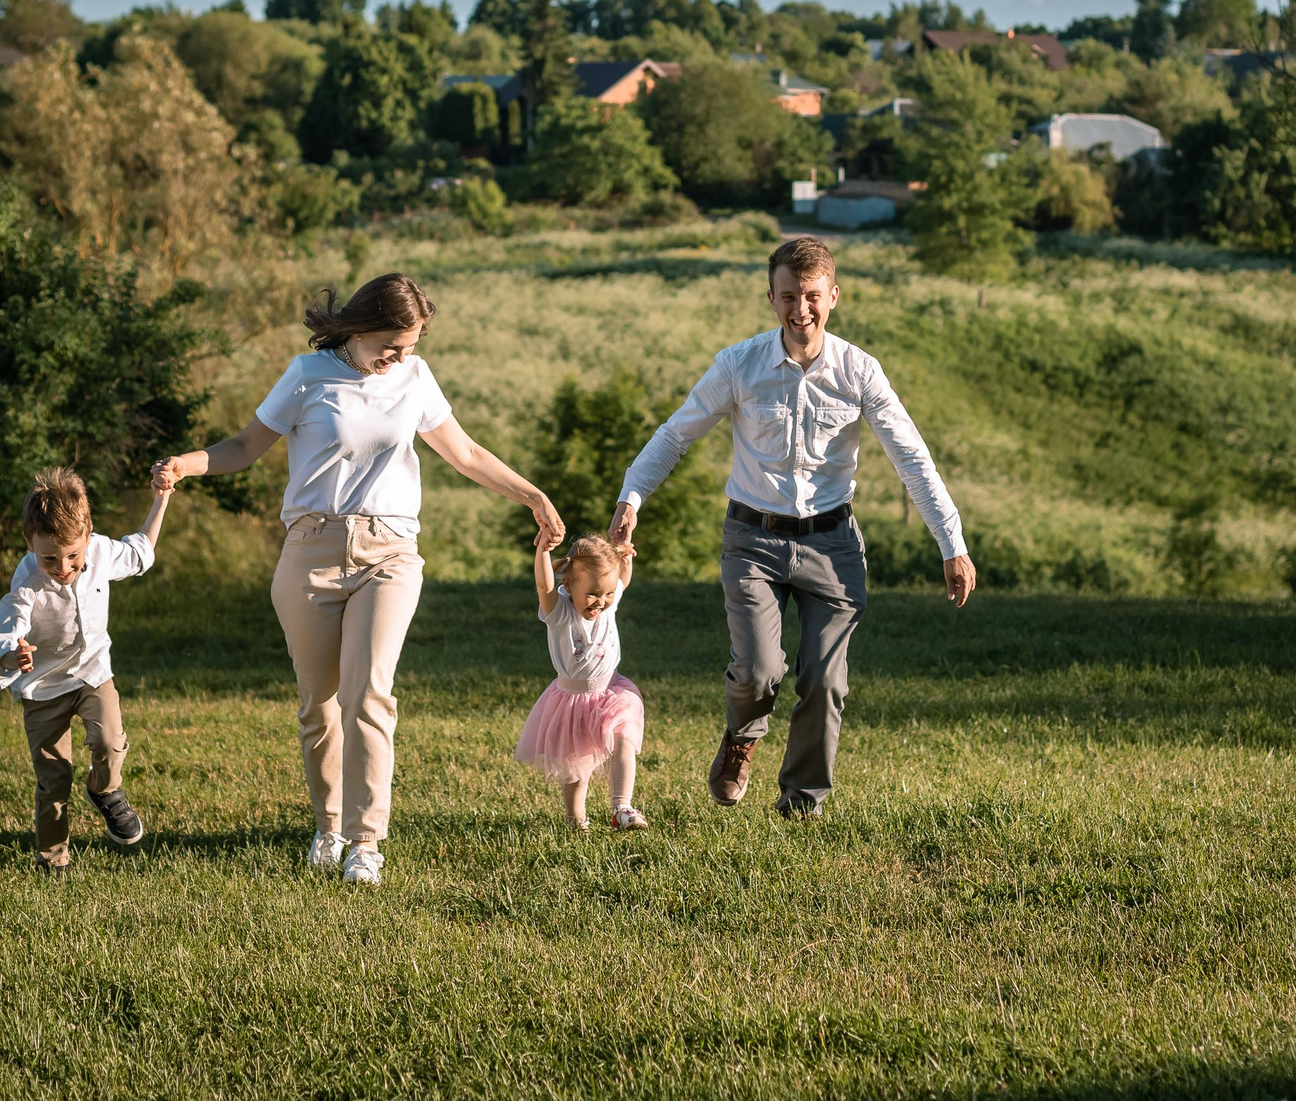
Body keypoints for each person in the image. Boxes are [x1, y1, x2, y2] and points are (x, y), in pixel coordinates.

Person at [152, 272, 566, 887]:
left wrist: (533, 496)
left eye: (410, 347)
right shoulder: (307, 376)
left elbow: (466, 454)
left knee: (369, 693)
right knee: (319, 705)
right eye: (390, 346)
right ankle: (329, 827)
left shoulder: (415, 378)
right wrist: (187, 464)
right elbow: (244, 445)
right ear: (359, 328)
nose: (398, 358)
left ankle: (366, 842)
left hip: (390, 553)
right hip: (310, 552)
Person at [609, 236, 973, 820]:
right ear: (771, 299)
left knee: (825, 681)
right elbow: (676, 434)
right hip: (752, 539)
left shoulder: (860, 372)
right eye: (788, 296)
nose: (800, 309)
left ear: (834, 296)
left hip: (833, 543)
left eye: (811, 296)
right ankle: (742, 736)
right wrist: (633, 495)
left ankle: (802, 804)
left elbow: (912, 458)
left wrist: (951, 544)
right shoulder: (739, 365)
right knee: (758, 671)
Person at [0, 466, 170, 872]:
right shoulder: (27, 580)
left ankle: (105, 790)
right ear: (30, 544)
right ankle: (53, 860)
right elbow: (4, 632)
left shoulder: (100, 551)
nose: (64, 567)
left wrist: (161, 498)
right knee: (54, 779)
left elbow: (140, 552)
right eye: (49, 558)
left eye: (73, 555)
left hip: (92, 673)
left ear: (88, 536)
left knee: (109, 741)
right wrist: (13, 655)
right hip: (42, 687)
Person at [515, 528, 647, 833]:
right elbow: (543, 584)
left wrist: (625, 559)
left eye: (607, 594)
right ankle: (576, 822)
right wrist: (543, 551)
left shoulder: (609, 599)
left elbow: (622, 582)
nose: (601, 601)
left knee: (623, 740)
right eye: (593, 594)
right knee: (576, 767)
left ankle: (622, 807)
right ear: (568, 585)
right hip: (572, 700)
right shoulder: (559, 612)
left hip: (612, 691)